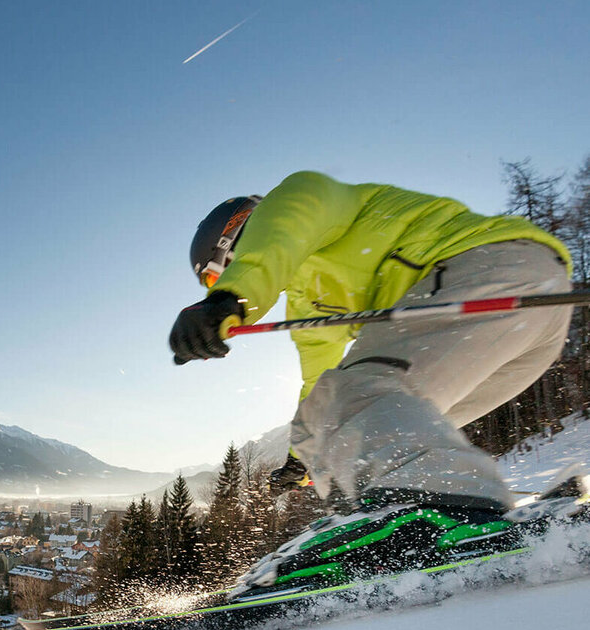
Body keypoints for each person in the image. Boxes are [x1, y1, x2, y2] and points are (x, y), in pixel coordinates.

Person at [169, 170, 572, 525]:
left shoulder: (299, 197)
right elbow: (318, 386)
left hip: (489, 270)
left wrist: (229, 298)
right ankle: (384, 520)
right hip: (520, 326)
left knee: (362, 395)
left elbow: (283, 232)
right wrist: (301, 458)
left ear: (231, 241)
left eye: (214, 277)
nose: (217, 284)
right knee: (340, 422)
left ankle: (436, 515)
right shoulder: (307, 302)